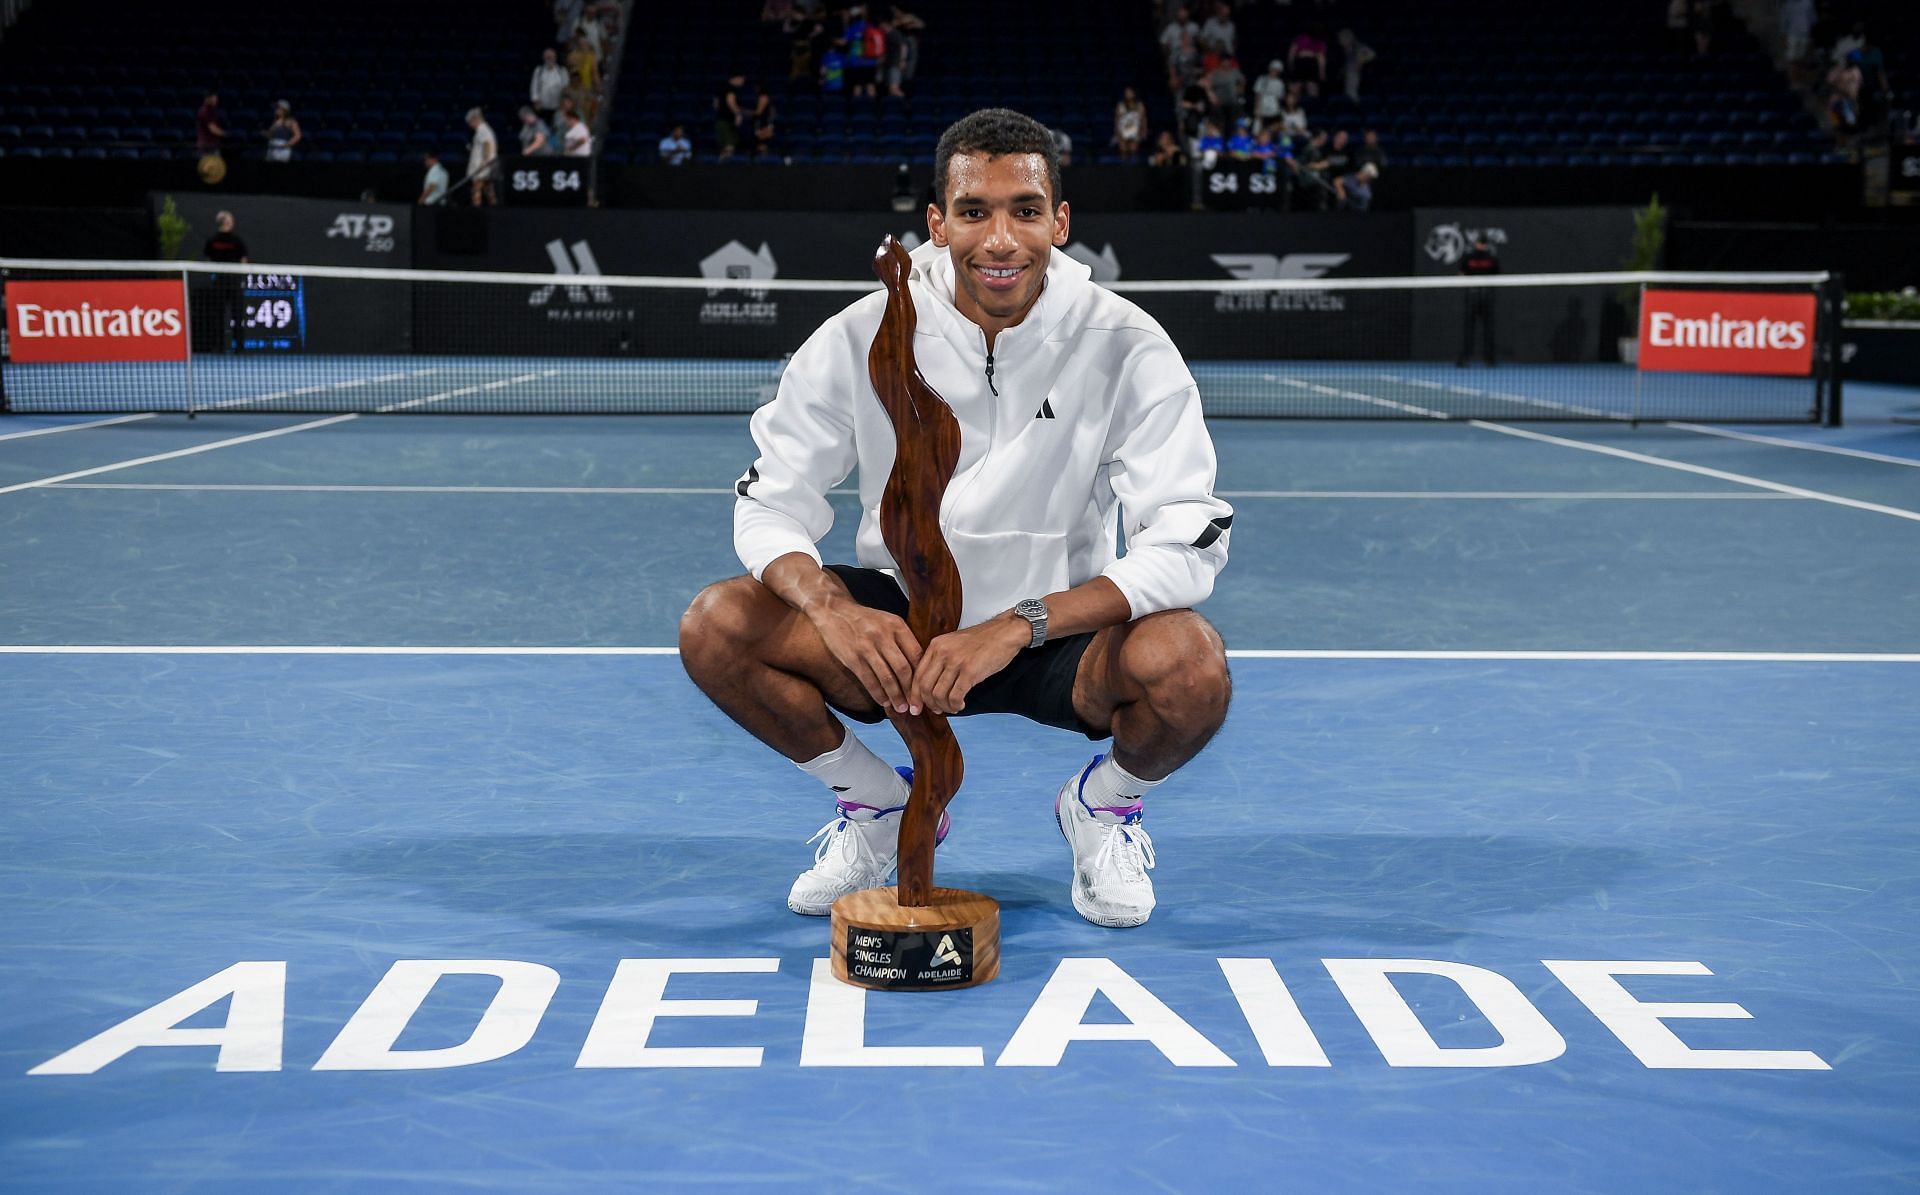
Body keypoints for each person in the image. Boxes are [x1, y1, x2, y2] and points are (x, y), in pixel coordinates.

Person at [679, 108, 1233, 930]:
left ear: (1061, 221)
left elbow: (1188, 538)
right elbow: (770, 502)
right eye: (974, 212)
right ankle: (874, 806)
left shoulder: (1126, 343)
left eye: (1025, 210)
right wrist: (834, 610)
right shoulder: (861, 335)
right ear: (936, 223)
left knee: (1189, 663)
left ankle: (1103, 807)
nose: (1000, 239)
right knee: (719, 624)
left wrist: (1018, 624)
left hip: (1057, 636)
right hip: (905, 628)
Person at [202, 211, 249, 354]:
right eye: (231, 219)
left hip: (231, 282)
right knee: (219, 316)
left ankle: (235, 348)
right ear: (227, 222)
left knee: (236, 315)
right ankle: (223, 348)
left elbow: (207, 261)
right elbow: (244, 262)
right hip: (221, 283)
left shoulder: (235, 241)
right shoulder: (213, 241)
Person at [1458, 232, 1499, 367]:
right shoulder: (1469, 257)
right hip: (1472, 297)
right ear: (1476, 244)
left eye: (1483, 243)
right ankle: (1465, 359)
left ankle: (1489, 359)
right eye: (1480, 243)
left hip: (1486, 297)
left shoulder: (1491, 259)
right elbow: (1461, 273)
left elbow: (1499, 276)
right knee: (1468, 330)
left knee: (1489, 330)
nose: (1481, 245)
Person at [466, 107, 500, 205]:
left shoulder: (482, 129)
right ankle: (494, 208)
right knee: (488, 189)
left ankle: (476, 211)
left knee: (476, 189)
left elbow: (487, 144)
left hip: (483, 166)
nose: (469, 125)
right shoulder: (484, 129)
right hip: (487, 165)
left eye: (470, 122)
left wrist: (485, 160)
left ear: (475, 119)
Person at [531, 47, 569, 127]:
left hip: (558, 106)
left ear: (555, 58)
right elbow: (534, 87)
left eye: (551, 57)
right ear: (544, 58)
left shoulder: (562, 71)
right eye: (547, 57)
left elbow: (566, 87)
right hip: (543, 107)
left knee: (557, 126)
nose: (550, 59)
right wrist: (536, 100)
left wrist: (564, 101)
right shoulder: (539, 70)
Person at [1337, 29, 1376, 101]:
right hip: (1345, 80)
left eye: (1342, 38)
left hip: (1358, 79)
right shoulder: (1342, 51)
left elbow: (1372, 54)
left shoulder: (1359, 47)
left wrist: (1360, 62)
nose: (1340, 41)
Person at [715, 74, 747, 161]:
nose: (743, 82)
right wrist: (738, 114)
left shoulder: (722, 88)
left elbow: (716, 104)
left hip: (720, 121)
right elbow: (730, 102)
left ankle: (720, 166)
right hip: (726, 122)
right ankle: (724, 168)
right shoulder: (730, 89)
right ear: (736, 78)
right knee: (730, 146)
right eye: (742, 79)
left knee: (724, 146)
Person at [1251, 59, 1285, 133]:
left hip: (1273, 108)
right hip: (1262, 106)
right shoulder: (1261, 79)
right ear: (1269, 68)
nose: (1274, 71)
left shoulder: (1280, 83)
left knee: (1272, 127)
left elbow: (1279, 98)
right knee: (1257, 127)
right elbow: (1258, 95)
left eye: (1277, 70)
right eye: (1273, 69)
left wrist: (1278, 111)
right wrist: (1256, 108)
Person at [1114, 86, 1147, 162]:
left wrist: (1144, 131)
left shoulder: (1140, 106)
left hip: (1135, 131)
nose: (1128, 94)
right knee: (1123, 149)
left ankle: (1134, 167)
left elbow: (1143, 120)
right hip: (1123, 131)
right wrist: (1117, 133)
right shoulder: (1120, 105)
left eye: (1130, 92)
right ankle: (1123, 167)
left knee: (1133, 149)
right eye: (1127, 93)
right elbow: (1117, 120)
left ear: (1134, 93)